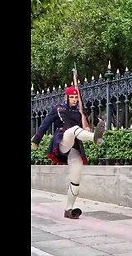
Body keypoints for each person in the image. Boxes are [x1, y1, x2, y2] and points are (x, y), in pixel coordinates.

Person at [31, 86, 105, 219]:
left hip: (75, 145)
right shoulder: (58, 108)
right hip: (63, 140)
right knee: (73, 130)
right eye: (72, 97)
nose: (74, 100)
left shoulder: (80, 111)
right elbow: (45, 124)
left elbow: (85, 127)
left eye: (76, 97)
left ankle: (69, 210)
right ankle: (95, 137)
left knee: (76, 179)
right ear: (66, 97)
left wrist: (86, 120)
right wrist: (36, 140)